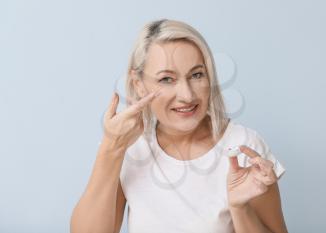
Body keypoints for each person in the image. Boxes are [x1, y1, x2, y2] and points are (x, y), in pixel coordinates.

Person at [70, 19, 288, 233]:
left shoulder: (243, 147)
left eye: (196, 75)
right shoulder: (128, 148)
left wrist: (241, 209)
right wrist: (111, 148)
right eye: (166, 79)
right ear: (140, 85)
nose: (187, 95)